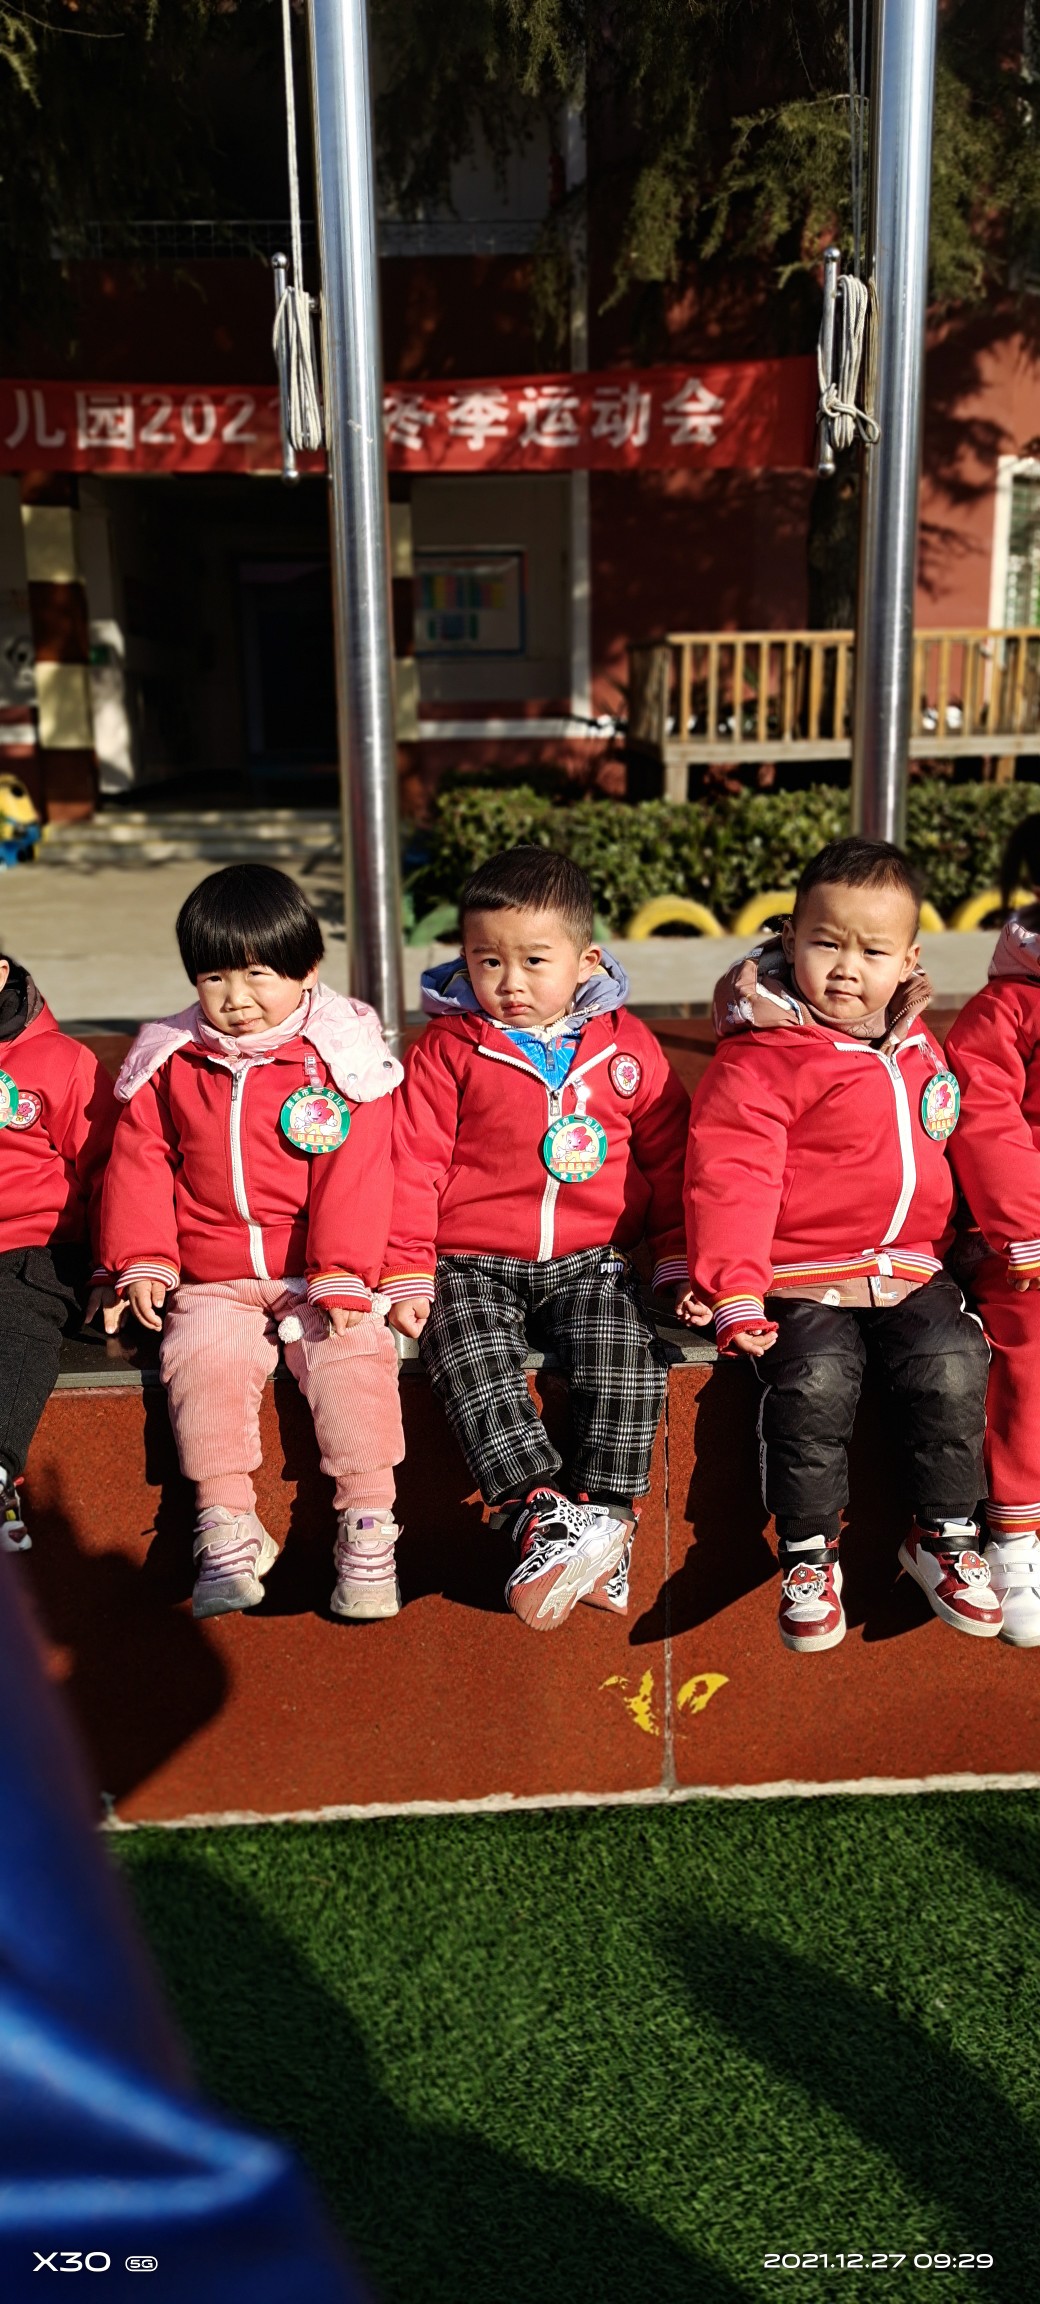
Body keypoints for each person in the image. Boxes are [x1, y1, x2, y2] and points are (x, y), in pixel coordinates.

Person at [678, 835, 995, 1654]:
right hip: (799, 1270)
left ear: (909, 959)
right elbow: (730, 1176)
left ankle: (946, 1534)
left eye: (873, 951)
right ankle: (809, 1553)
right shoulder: (762, 1057)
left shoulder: (917, 1043)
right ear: (790, 940)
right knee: (815, 1377)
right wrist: (733, 1287)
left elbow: (954, 1144)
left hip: (908, 1265)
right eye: (826, 944)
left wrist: (989, 1234)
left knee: (952, 1361)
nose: (847, 969)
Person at [381, 845, 690, 1631]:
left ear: (586, 962)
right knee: (468, 1355)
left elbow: (669, 1154)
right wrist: (409, 1267)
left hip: (591, 1258)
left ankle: (606, 1523)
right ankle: (538, 1514)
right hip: (471, 1260)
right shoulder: (449, 1048)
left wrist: (679, 1254)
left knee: (626, 1357)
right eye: (488, 961)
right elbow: (413, 1161)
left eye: (533, 961)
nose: (509, 982)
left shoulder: (626, 1048)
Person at [100, 864, 405, 1623]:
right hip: (214, 1272)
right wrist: (142, 1259)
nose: (235, 998)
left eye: (257, 974)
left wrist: (343, 1272)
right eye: (214, 978)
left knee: (354, 1355)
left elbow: (358, 1172)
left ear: (307, 969)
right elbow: (141, 1162)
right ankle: (226, 1520)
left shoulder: (339, 1055)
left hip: (317, 1271)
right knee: (200, 1359)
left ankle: (368, 1520)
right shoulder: (173, 1060)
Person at [944, 811, 1040, 1645]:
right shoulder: (1006, 1009)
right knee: (1030, 1336)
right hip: (1021, 1239)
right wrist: (1026, 1232)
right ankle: (1014, 1537)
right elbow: (986, 1122)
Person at [0, 951, 116, 1553]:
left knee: (17, 1314)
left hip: (42, 1246)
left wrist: (109, 1267)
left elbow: (109, 1171)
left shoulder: (59, 1061)